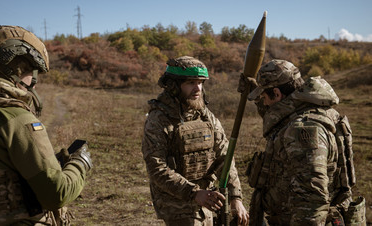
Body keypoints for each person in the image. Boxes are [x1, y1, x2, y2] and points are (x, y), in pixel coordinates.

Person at [0, 25, 92, 225]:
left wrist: (52, 162)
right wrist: (80, 163)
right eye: (33, 71)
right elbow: (56, 194)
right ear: (18, 67)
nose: (35, 81)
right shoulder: (16, 118)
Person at [244, 59, 361, 225]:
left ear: (276, 94)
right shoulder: (311, 108)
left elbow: (311, 201)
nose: (264, 103)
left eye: (264, 97)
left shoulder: (303, 130)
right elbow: (279, 114)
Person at [141, 56, 249, 226]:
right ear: (174, 86)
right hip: (177, 206)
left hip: (209, 201)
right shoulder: (159, 119)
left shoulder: (206, 116)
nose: (197, 88)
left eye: (200, 82)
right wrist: (194, 193)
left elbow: (224, 158)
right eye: (191, 82)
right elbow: (157, 168)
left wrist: (235, 197)